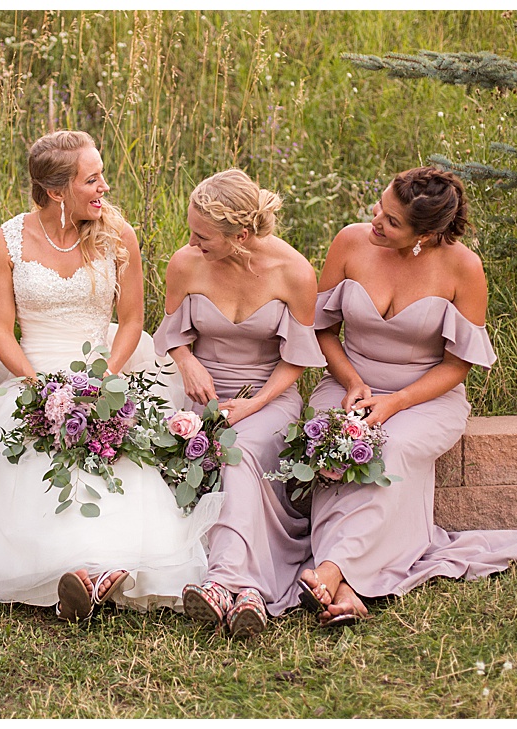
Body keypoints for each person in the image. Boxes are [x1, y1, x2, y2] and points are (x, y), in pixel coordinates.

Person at [0, 130, 222, 621]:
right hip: (31, 374)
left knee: (114, 452)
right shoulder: (5, 241)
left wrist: (103, 379)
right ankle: (73, 571)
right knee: (33, 458)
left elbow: (132, 321)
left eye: (102, 176)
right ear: (57, 190)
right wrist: (40, 387)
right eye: (92, 179)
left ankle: (103, 568)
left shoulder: (118, 234)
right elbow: (1, 331)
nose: (104, 188)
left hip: (108, 368)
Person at [300, 167, 517, 627]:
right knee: (333, 443)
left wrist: (396, 402)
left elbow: (457, 364)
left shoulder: (462, 267)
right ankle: (346, 588)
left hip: (425, 395)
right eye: (380, 207)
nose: (375, 221)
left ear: (426, 233)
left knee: (393, 447)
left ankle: (331, 571)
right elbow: (321, 327)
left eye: (391, 221)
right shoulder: (350, 242)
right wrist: (350, 381)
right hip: (349, 384)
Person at [153, 169, 327, 637]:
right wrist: (187, 362)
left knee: (240, 448)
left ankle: (227, 579)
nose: (192, 242)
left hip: (268, 393)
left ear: (242, 234)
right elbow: (172, 337)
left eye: (203, 236)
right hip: (199, 390)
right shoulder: (185, 263)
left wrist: (252, 406)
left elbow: (297, 361)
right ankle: (244, 588)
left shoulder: (294, 272)